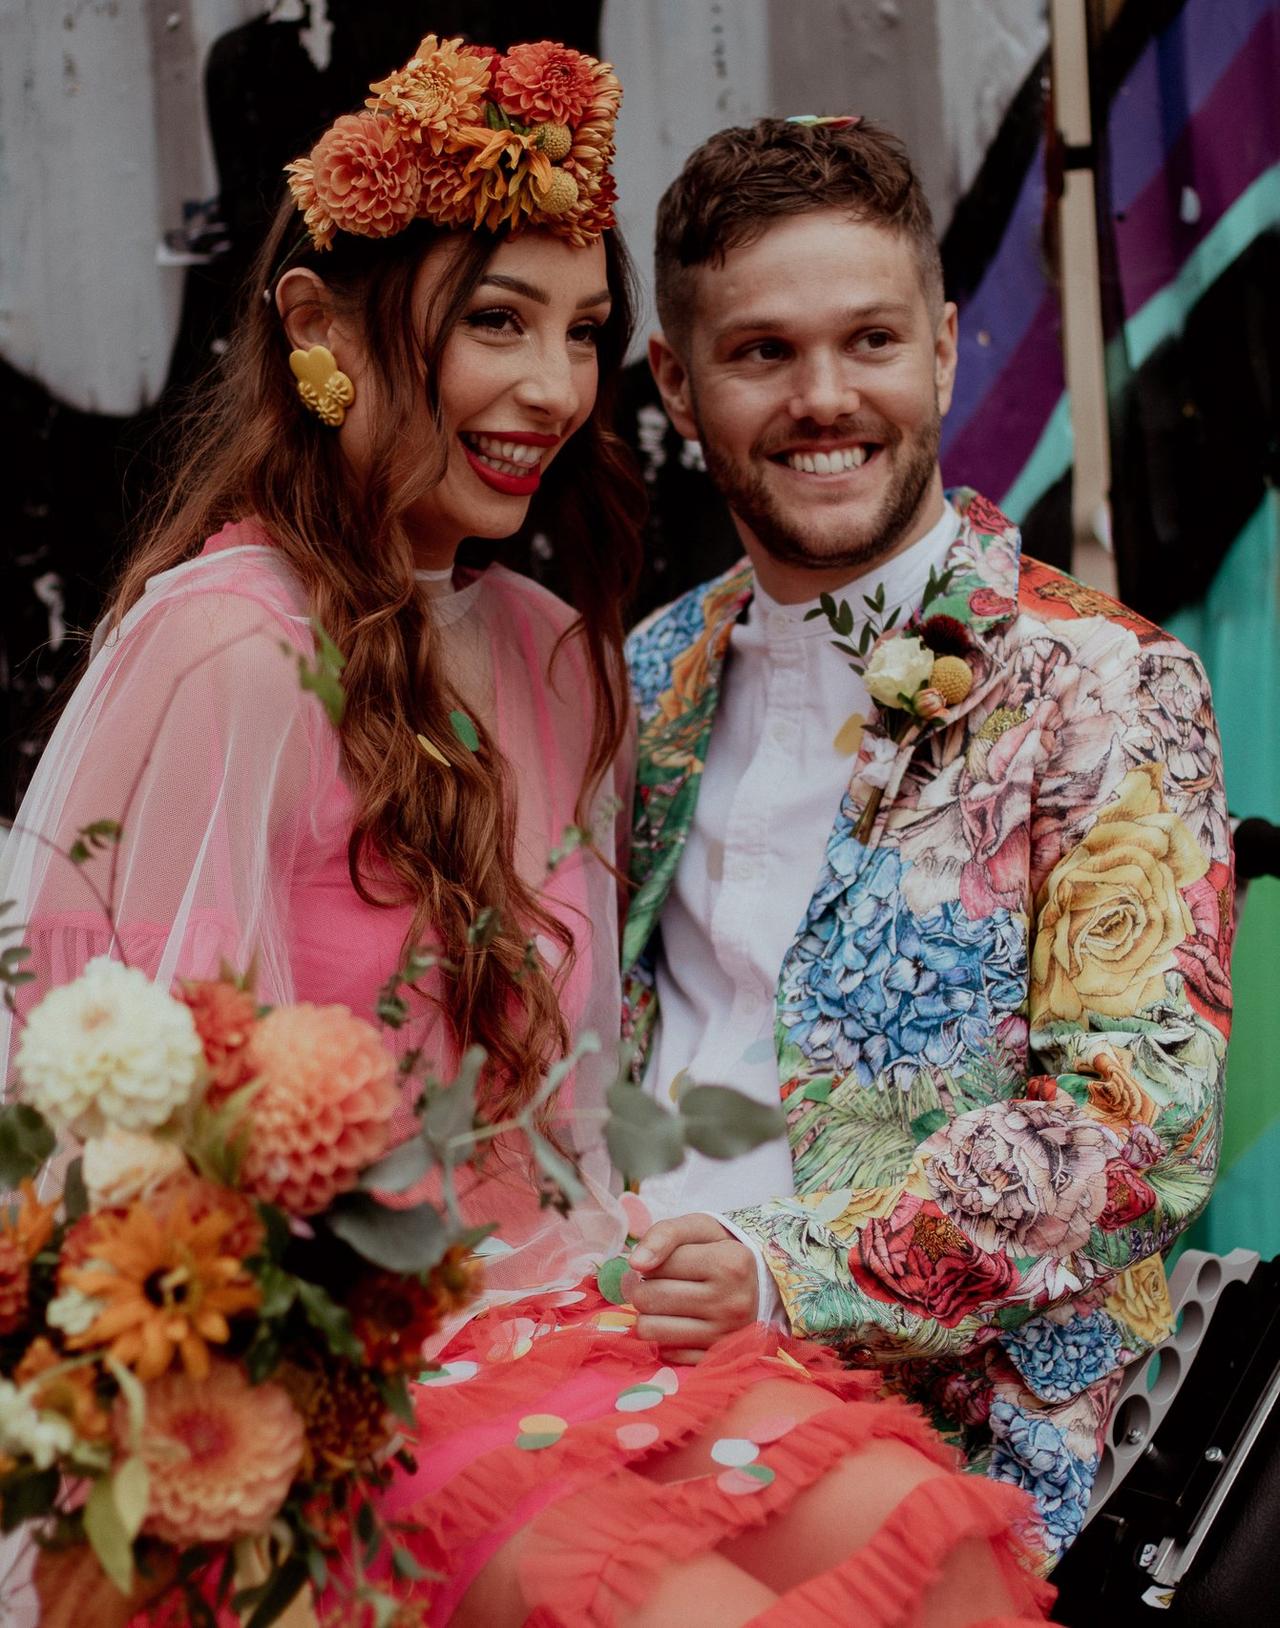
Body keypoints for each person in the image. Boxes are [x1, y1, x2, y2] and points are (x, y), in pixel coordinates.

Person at [1, 45, 1050, 1628]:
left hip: (564, 1306)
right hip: (338, 1373)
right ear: (317, 330)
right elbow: (98, 1132)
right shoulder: (228, 649)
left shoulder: (558, 653)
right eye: (496, 321)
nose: (556, 391)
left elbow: (566, 1105)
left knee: (938, 1544)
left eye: (581, 333)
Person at [622, 114, 1234, 1573]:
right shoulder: (651, 674)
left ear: (946, 351)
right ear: (675, 383)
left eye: (872, 342)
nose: (825, 399)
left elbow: (1138, 1125)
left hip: (953, 1441)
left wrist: (782, 1273)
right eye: (762, 351)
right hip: (622, 1364)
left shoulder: (1101, 681)